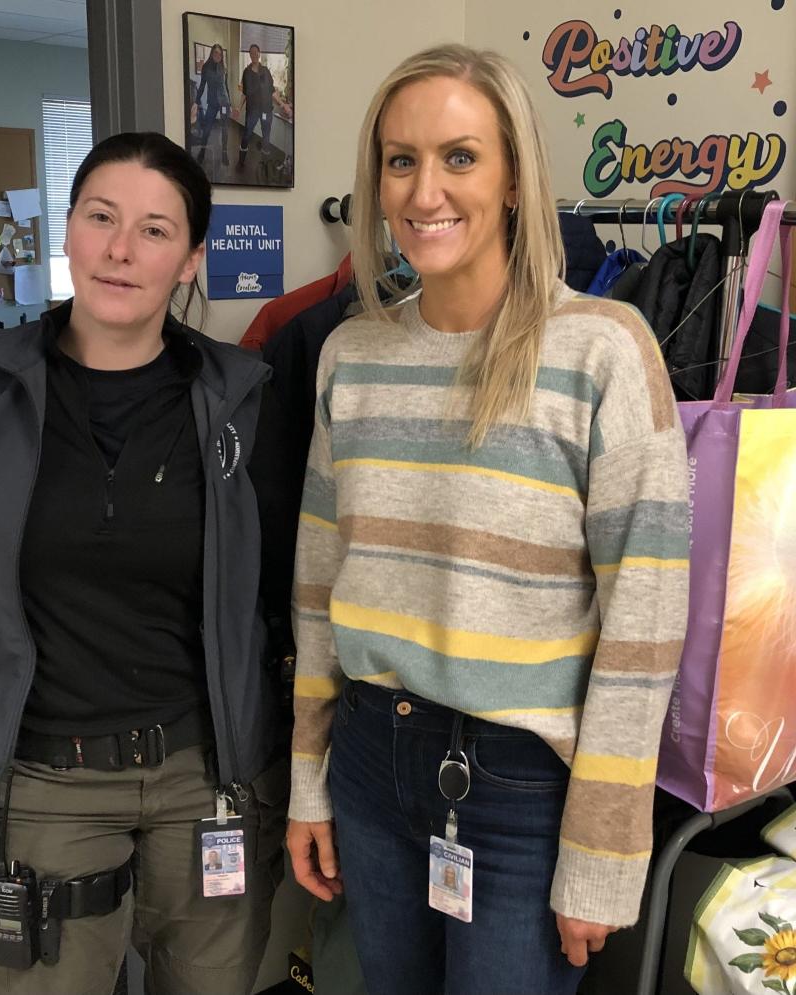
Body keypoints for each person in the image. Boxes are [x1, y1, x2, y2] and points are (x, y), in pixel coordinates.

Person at [285, 45, 690, 995]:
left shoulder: (603, 350)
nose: (426, 190)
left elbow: (645, 624)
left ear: (513, 175)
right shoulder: (350, 353)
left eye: (460, 156)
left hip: (521, 790)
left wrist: (604, 852)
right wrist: (309, 778)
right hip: (371, 761)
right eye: (400, 160)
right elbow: (315, 586)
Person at [0, 131, 292, 995]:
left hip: (208, 780)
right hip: (44, 778)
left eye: (156, 230)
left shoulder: (244, 400)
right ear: (69, 232)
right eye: (101, 217)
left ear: (192, 259)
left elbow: (286, 605)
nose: (122, 249)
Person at [237, 44, 291, 167]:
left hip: (266, 110)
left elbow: (272, 91)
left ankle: (264, 163)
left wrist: (283, 104)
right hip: (252, 110)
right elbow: (244, 93)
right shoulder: (246, 72)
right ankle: (241, 161)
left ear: (259, 53)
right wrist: (238, 108)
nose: (254, 54)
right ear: (250, 55)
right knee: (247, 134)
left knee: (266, 136)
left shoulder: (265, 71)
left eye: (256, 52)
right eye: (252, 52)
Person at [192, 43, 232, 168]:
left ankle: (224, 153)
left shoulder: (223, 67)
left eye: (220, 54)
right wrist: (196, 101)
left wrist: (229, 103)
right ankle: (202, 151)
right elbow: (202, 86)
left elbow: (226, 86)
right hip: (212, 102)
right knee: (207, 128)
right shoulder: (206, 67)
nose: (218, 55)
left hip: (224, 102)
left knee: (225, 128)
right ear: (212, 53)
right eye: (216, 53)